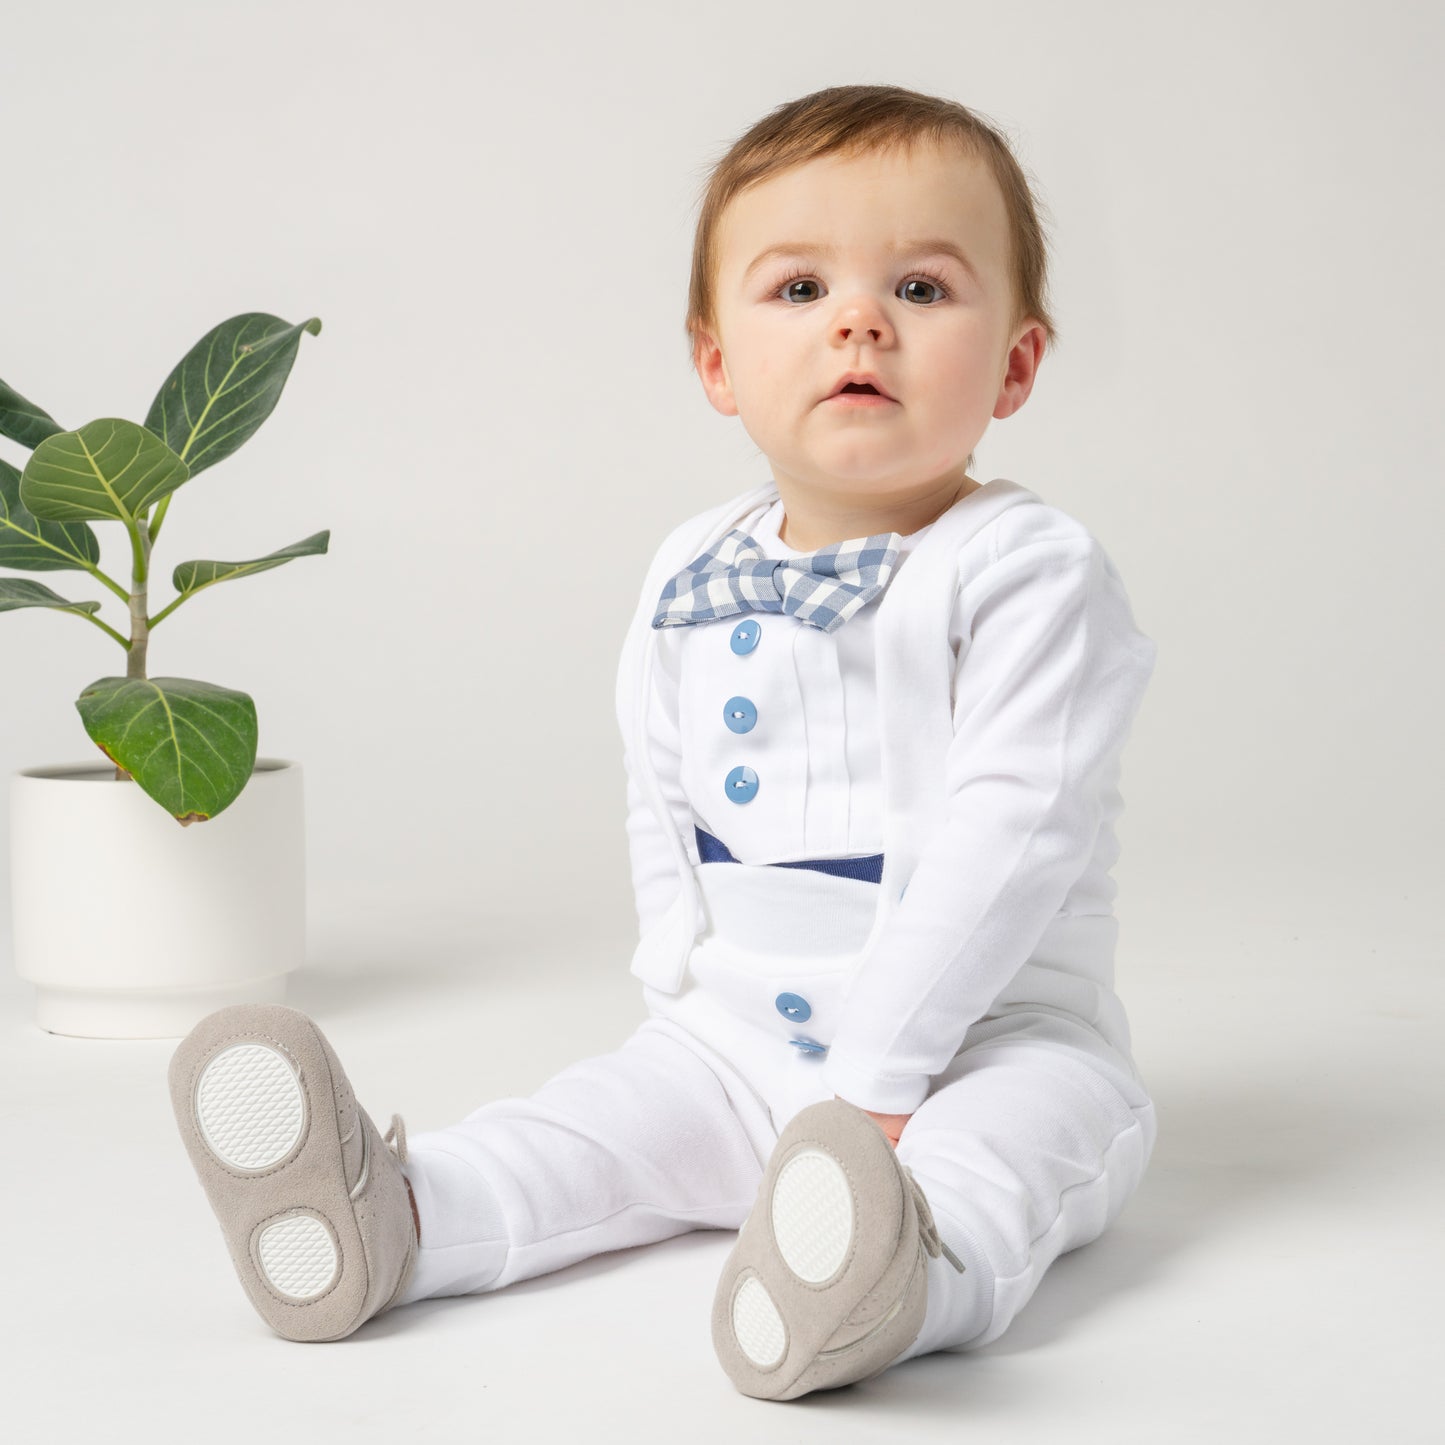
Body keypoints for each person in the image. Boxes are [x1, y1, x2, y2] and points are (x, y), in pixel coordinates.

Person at [168, 82, 1160, 1401]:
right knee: (589, 1130)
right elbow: (658, 775)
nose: (859, 319)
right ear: (715, 364)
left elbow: (1009, 832)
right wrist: (674, 980)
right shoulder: (690, 562)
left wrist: (878, 1078)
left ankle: (891, 1277)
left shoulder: (1027, 570)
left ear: (1017, 363)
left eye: (920, 290)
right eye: (797, 288)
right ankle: (395, 1216)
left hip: (990, 1037)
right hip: (736, 1035)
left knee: (1004, 1155)